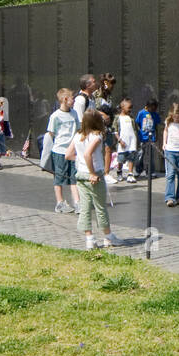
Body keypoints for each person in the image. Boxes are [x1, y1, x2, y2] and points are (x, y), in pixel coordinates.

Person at [68, 110, 113, 249]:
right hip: (94, 173)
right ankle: (108, 237)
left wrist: (81, 161)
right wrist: (92, 172)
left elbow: (68, 154)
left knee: (85, 208)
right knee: (100, 207)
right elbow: (88, 154)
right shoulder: (97, 136)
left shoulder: (78, 135)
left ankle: (90, 239)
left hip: (81, 174)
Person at [47, 89, 80, 212]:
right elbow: (51, 132)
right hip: (59, 151)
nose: (74, 100)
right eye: (72, 98)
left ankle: (77, 203)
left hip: (72, 151)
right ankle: (59, 202)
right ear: (65, 99)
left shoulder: (74, 113)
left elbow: (78, 129)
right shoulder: (55, 116)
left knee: (74, 177)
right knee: (59, 177)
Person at [115, 97, 138, 183]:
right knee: (121, 158)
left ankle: (130, 173)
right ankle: (119, 171)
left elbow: (134, 128)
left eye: (131, 107)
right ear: (123, 107)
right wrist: (119, 140)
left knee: (131, 157)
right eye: (129, 107)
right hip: (123, 142)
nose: (130, 109)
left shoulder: (131, 118)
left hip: (131, 141)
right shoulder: (118, 118)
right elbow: (115, 131)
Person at [136, 97, 159, 178]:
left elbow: (156, 125)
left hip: (151, 138)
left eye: (155, 109)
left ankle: (150, 171)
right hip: (142, 137)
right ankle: (138, 170)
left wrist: (156, 135)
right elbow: (137, 123)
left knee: (150, 156)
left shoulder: (155, 114)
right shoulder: (141, 113)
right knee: (141, 154)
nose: (153, 110)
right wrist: (139, 134)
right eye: (152, 108)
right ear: (147, 106)